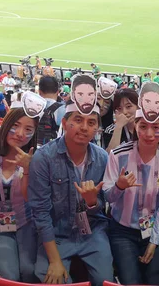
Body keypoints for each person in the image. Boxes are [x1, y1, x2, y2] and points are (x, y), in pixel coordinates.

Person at [29, 99, 114, 285]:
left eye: (91, 122)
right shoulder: (43, 158)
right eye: (78, 120)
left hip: (92, 232)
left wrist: (92, 202)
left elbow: (100, 207)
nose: (84, 127)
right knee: (51, 279)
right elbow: (41, 213)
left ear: (97, 129)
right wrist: (54, 260)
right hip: (57, 234)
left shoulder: (102, 158)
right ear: (65, 123)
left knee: (106, 281)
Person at [103, 82, 159, 285]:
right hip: (122, 231)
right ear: (135, 125)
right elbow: (107, 197)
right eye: (143, 126)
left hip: (154, 230)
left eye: (156, 127)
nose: (149, 134)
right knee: (131, 281)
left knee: (156, 280)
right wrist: (119, 186)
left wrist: (154, 241)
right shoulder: (118, 156)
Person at [0, 103, 42, 282]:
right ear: (6, 124)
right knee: (10, 276)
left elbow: (34, 199)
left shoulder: (38, 158)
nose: (20, 134)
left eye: (28, 129)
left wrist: (28, 170)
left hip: (28, 224)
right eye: (16, 125)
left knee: (29, 272)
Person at [36, 76, 66, 146]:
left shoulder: (31, 107)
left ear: (39, 92)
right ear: (58, 92)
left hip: (34, 149)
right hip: (54, 149)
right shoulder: (65, 109)